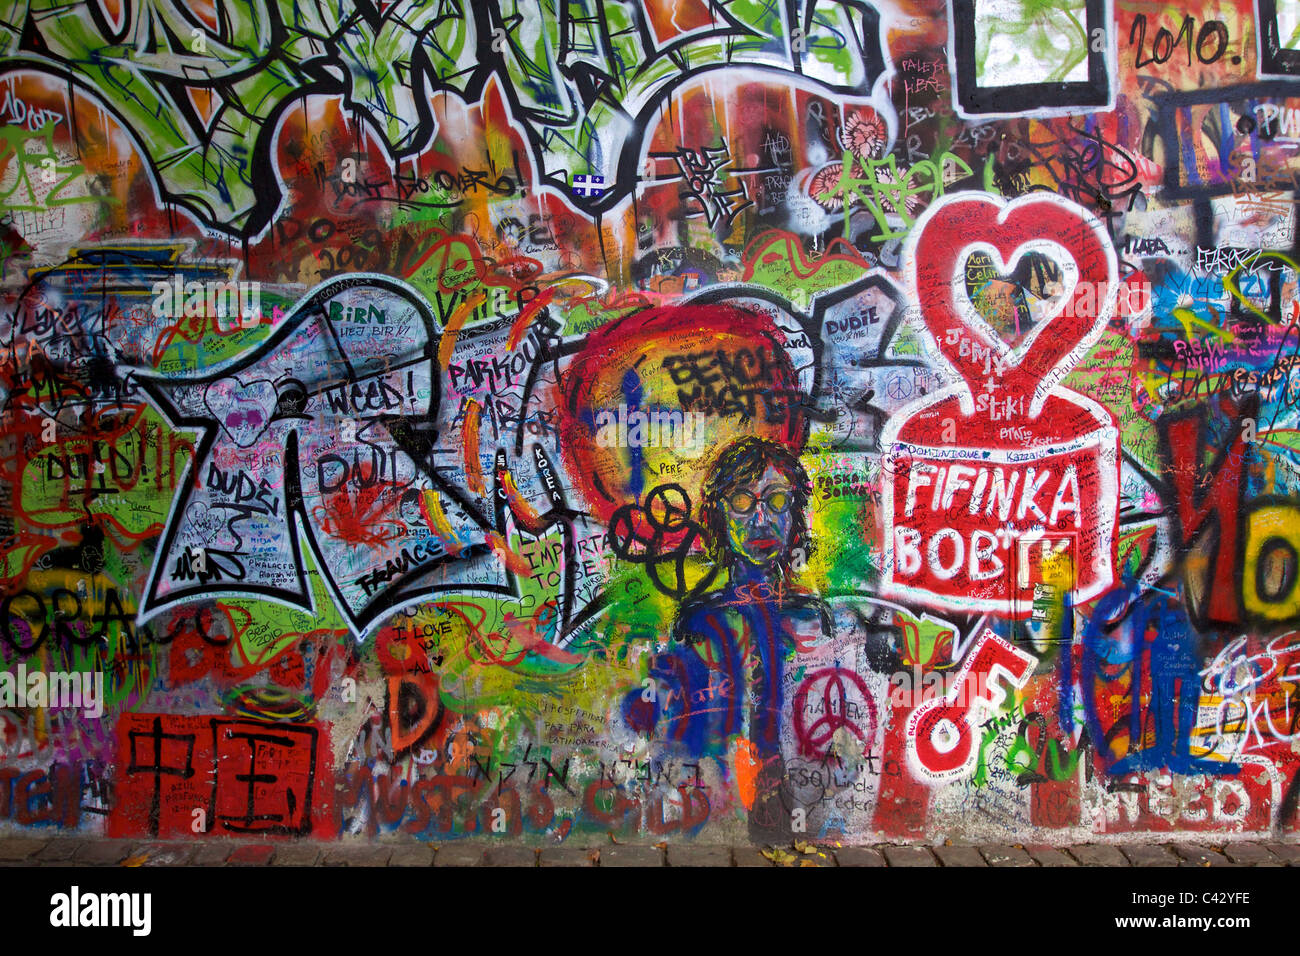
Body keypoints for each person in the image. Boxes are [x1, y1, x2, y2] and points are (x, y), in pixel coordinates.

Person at [626, 437, 830, 840]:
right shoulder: (698, 622)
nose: (760, 520)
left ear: (794, 513)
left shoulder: (812, 619)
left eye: (775, 502)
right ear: (718, 513)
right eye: (741, 501)